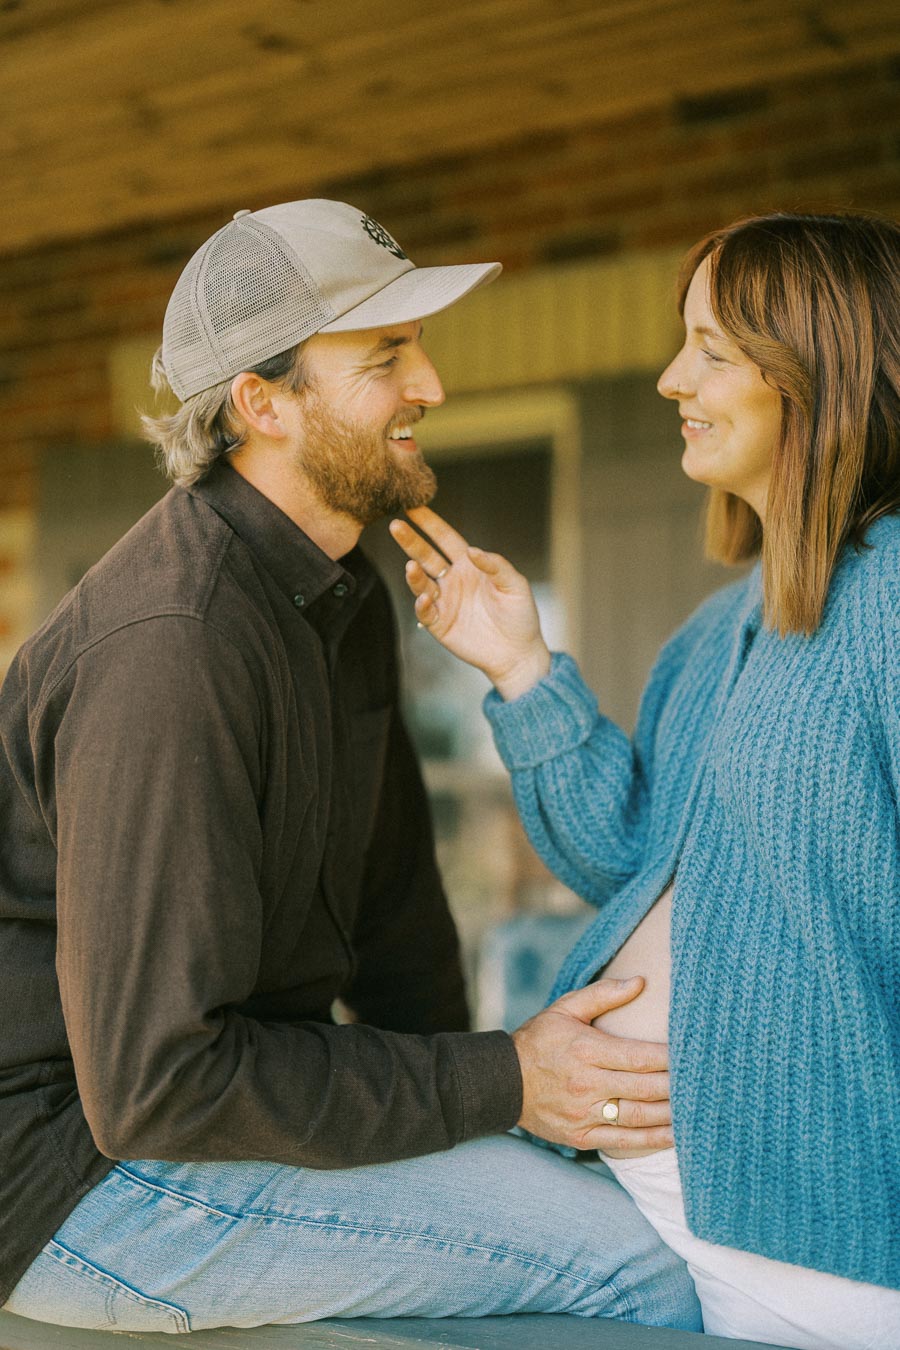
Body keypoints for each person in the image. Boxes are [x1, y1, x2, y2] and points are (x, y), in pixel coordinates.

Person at [0, 199, 701, 1334]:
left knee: (586, 1211)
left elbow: (394, 921)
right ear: (262, 404)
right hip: (74, 1179)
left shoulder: (339, 587)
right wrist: (506, 1081)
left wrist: (488, 1113)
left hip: (184, 1136)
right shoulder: (172, 648)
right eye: (386, 357)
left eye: (417, 346)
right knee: (636, 1272)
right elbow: (155, 1083)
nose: (430, 384)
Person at [392, 211, 900, 1350]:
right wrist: (523, 669)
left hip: (818, 1233)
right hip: (645, 1192)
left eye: (714, 351)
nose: (674, 378)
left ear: (824, 371)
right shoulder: (715, 632)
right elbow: (629, 861)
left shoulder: (897, 598)